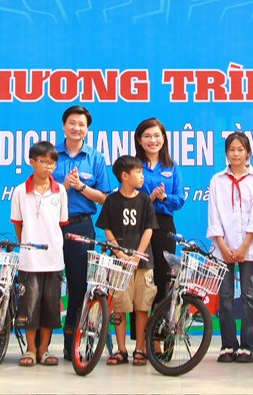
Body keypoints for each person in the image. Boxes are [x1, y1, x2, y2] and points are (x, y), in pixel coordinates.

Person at [52, 104, 110, 361]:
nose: (76, 128)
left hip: (81, 225)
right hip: (51, 225)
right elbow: (40, 191)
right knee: (47, 285)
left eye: (81, 124)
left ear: (87, 129)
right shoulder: (51, 155)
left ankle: (72, 346)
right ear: (64, 126)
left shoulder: (95, 158)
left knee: (79, 287)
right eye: (72, 123)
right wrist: (63, 186)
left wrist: (81, 187)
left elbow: (105, 198)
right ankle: (40, 347)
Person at [209, 131, 253, 364]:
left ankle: (247, 346)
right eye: (231, 150)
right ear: (226, 153)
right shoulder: (217, 180)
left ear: (248, 153)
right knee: (224, 297)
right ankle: (228, 344)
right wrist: (222, 245)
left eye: (240, 150)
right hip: (222, 248)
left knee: (249, 296)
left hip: (249, 247)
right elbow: (214, 215)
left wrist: (244, 246)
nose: (236, 154)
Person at [96, 155, 158, 366]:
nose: (142, 176)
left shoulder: (145, 200)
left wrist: (137, 255)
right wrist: (120, 254)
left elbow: (149, 229)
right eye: (138, 172)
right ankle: (121, 350)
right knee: (120, 306)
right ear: (124, 175)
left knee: (142, 306)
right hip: (119, 264)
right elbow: (107, 229)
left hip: (143, 263)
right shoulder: (112, 200)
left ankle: (140, 348)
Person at [11, 141, 68, 367]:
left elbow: (61, 223)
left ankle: (44, 349)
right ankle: (30, 349)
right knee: (30, 306)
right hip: (30, 261)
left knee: (50, 306)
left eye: (52, 163)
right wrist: (26, 246)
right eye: (43, 161)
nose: (48, 167)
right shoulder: (20, 191)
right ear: (32, 162)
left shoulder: (60, 190)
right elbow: (18, 224)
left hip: (54, 258)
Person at [135, 118, 185, 304]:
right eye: (147, 136)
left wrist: (164, 197)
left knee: (163, 276)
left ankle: (159, 321)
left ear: (164, 139)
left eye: (157, 136)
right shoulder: (134, 165)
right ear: (139, 140)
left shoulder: (171, 166)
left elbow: (180, 200)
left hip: (164, 225)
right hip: (138, 224)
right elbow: (126, 197)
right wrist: (150, 199)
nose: (152, 140)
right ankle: (139, 324)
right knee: (140, 275)